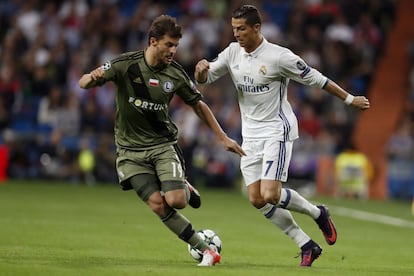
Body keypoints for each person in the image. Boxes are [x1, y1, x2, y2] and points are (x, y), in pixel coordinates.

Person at [194, 5, 370, 267]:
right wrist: (201, 70)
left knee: (271, 194)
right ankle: (306, 243)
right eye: (234, 29)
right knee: (256, 199)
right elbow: (206, 78)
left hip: (277, 130)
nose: (237, 34)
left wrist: (348, 98)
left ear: (256, 28)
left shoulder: (279, 57)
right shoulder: (232, 53)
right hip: (250, 135)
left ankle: (316, 212)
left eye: (241, 29)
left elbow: (316, 78)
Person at [78, 15, 245, 267]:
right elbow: (83, 82)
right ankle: (206, 250)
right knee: (158, 204)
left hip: (161, 146)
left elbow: (199, 105)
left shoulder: (175, 74)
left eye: (176, 46)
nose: (173, 51)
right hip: (129, 151)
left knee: (176, 201)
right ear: (153, 41)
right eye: (168, 45)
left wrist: (222, 138)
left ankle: (181, 186)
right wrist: (91, 77)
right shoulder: (125, 65)